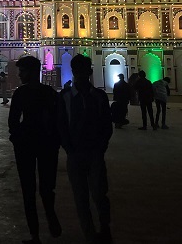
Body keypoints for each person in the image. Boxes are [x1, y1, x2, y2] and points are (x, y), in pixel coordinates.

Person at [57, 55, 113, 244]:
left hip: (93, 152)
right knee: (81, 197)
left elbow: (106, 124)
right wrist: (68, 147)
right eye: (78, 71)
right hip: (76, 154)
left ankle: (104, 228)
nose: (81, 75)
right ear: (74, 72)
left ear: (89, 72)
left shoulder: (98, 97)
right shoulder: (65, 97)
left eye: (84, 71)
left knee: (98, 194)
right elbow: (61, 125)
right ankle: (90, 235)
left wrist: (101, 146)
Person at [8, 56, 61, 243]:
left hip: (27, 144)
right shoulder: (50, 93)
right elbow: (58, 121)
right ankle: (50, 213)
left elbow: (13, 121)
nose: (19, 75)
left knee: (28, 190)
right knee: (47, 187)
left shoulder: (21, 93)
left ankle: (35, 235)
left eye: (22, 71)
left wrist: (16, 138)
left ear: (31, 72)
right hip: (46, 143)